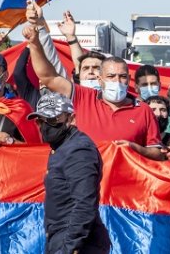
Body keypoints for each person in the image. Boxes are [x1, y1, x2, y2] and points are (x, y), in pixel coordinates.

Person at [23, 24, 167, 161]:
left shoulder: (143, 110)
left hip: (125, 183)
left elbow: (157, 154)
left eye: (122, 76)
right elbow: (49, 77)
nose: (117, 81)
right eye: (111, 76)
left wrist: (135, 148)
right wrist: (35, 44)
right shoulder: (83, 97)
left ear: (129, 79)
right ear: (100, 79)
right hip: (84, 181)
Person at [27, 90, 110, 253]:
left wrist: (70, 247)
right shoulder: (61, 147)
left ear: (71, 119)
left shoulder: (79, 150)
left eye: (53, 119)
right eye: (40, 121)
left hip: (77, 242)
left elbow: (84, 203)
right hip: (61, 237)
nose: (45, 126)